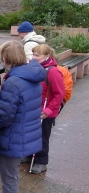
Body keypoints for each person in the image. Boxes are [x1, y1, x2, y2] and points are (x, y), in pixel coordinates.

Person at [0, 41, 45, 193]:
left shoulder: (13, 82)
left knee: (9, 177)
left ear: (5, 58)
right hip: (24, 133)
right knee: (11, 175)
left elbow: (4, 117)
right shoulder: (32, 76)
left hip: (13, 136)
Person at [24, 44, 65, 174]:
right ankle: (30, 155)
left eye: (38, 55)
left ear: (47, 56)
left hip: (45, 112)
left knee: (42, 136)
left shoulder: (52, 72)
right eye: (33, 54)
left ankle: (41, 162)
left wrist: (48, 111)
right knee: (31, 134)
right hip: (33, 108)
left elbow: (59, 94)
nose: (34, 57)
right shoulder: (33, 68)